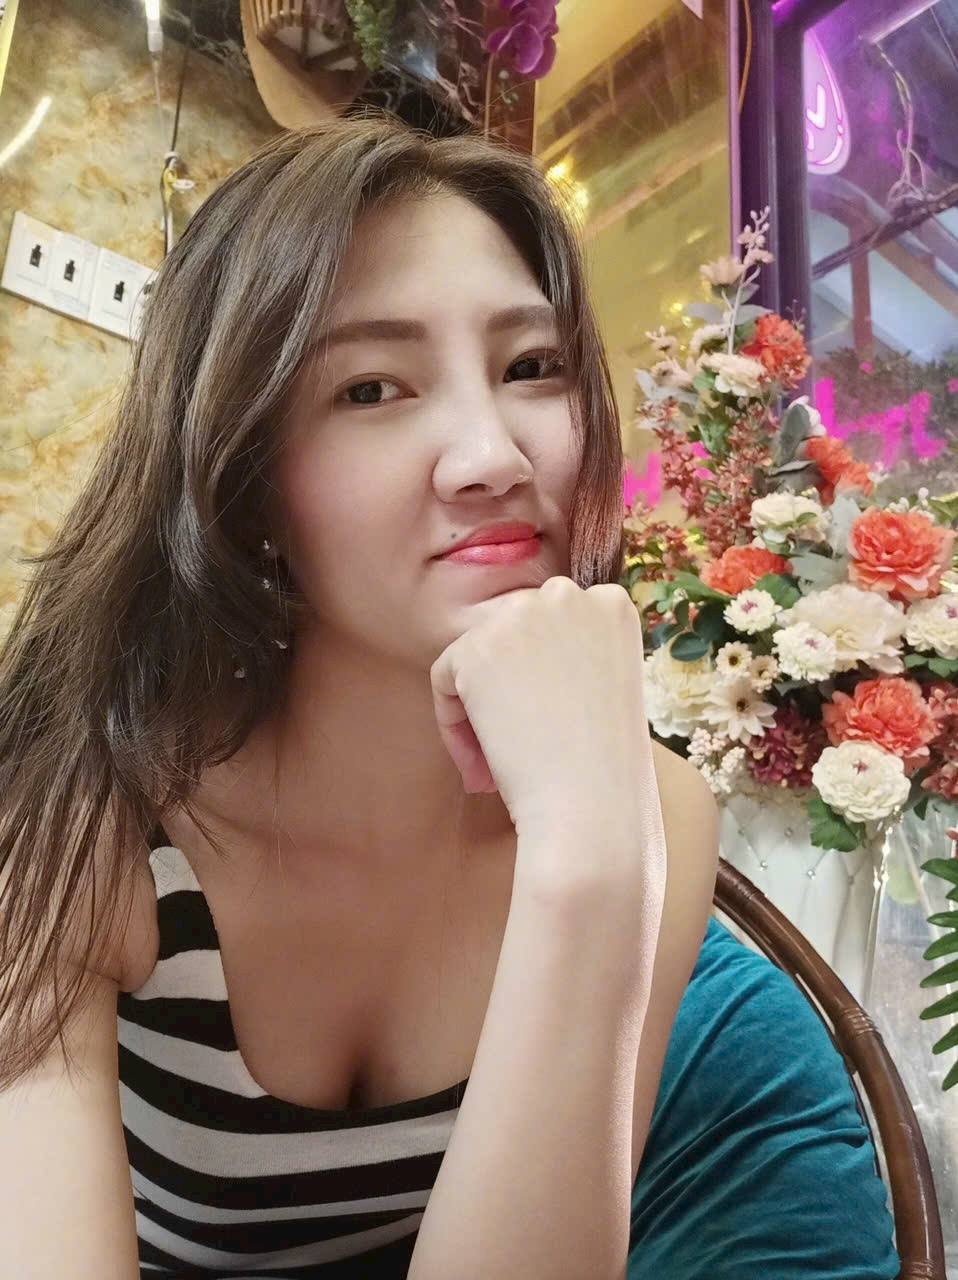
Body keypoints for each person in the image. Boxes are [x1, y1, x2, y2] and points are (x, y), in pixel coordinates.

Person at [0, 115, 899, 1280]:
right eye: (372, 387)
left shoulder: (648, 813)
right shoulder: (82, 812)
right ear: (243, 473)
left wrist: (586, 860)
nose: (492, 455)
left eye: (531, 367)